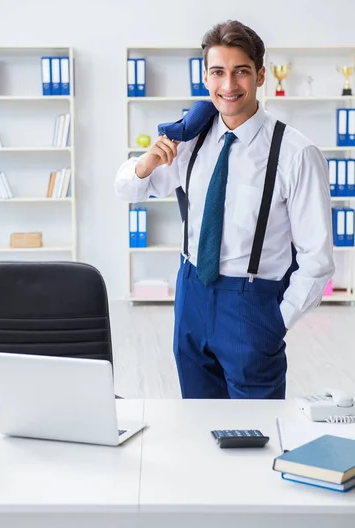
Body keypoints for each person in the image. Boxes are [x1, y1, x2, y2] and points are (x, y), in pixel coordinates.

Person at [114, 20, 334, 400]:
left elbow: (317, 258)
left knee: (255, 434)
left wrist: (276, 322)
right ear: (205, 76)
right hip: (191, 297)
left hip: (251, 307)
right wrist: (145, 163)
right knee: (197, 425)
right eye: (218, 72)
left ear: (261, 75)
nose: (229, 86)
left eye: (241, 72)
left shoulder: (296, 154)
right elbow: (127, 190)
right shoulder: (191, 139)